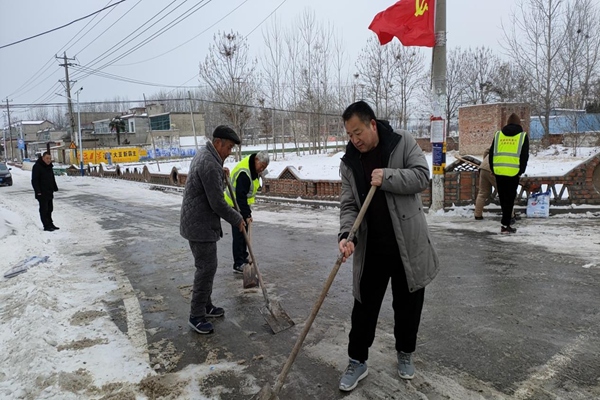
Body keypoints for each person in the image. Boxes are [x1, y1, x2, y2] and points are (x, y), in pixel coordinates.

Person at [337, 101, 440, 392]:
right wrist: (347, 235)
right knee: (363, 309)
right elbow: (348, 204)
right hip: (372, 247)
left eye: (358, 132)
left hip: (407, 243)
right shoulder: (349, 162)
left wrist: (388, 177)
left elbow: (421, 176)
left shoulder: (401, 142)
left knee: (408, 306)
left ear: (372, 124)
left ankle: (405, 352)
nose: (354, 140)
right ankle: (357, 360)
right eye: (349, 135)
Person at [180, 125, 245, 335]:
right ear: (218, 143)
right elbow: (217, 202)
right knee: (206, 269)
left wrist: (221, 176)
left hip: (198, 222)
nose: (230, 152)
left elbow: (211, 190)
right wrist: (237, 218)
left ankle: (206, 306)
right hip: (200, 225)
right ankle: (196, 315)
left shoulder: (207, 156)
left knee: (208, 267)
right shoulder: (210, 164)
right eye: (229, 147)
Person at [223, 151, 270, 273]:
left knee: (244, 232)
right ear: (256, 160)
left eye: (264, 167)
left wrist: (247, 213)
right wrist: (247, 214)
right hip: (234, 204)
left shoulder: (253, 168)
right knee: (239, 233)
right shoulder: (245, 173)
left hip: (241, 204)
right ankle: (238, 263)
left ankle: (244, 257)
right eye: (262, 166)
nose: (262, 169)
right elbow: (240, 197)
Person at [488, 113, 529, 234]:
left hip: (499, 171)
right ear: (519, 124)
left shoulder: (498, 135)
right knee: (510, 199)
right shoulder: (522, 136)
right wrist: (521, 171)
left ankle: (505, 223)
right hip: (513, 172)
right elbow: (524, 156)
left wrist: (493, 169)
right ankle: (506, 224)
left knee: (503, 198)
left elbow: (491, 153)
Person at [474, 148, 516, 222]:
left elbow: (486, 151)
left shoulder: (499, 144)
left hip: (483, 168)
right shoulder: (512, 149)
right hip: (494, 170)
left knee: (482, 193)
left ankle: (478, 215)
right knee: (505, 194)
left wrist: (486, 161)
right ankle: (510, 215)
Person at [31, 152, 59, 232]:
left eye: (50, 158)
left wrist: (54, 187)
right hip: (41, 193)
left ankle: (50, 223)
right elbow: (34, 180)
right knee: (44, 209)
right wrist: (38, 191)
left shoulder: (49, 167)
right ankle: (46, 225)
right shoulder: (37, 166)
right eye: (47, 158)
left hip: (49, 191)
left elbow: (52, 178)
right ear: (43, 158)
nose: (48, 160)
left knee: (50, 208)